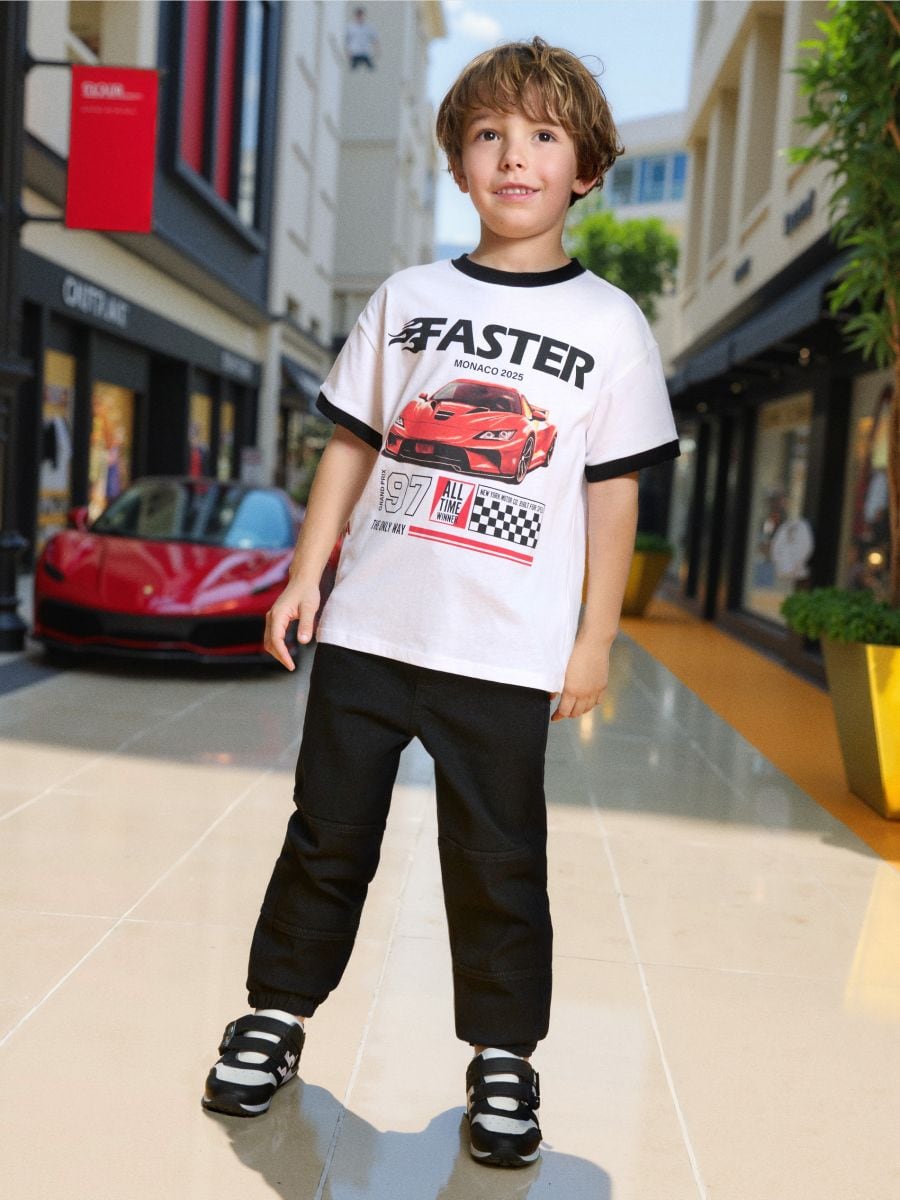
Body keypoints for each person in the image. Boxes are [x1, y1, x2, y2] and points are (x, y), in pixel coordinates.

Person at [202, 36, 679, 1169]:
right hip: (372, 629)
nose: (515, 157)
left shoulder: (610, 323)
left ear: (584, 168)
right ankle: (275, 1014)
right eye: (489, 135)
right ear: (459, 162)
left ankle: (504, 1057)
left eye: (543, 136)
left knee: (498, 859)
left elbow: (613, 495)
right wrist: (305, 572)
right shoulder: (410, 299)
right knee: (326, 836)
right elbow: (353, 445)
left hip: (505, 651)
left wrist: (596, 637)